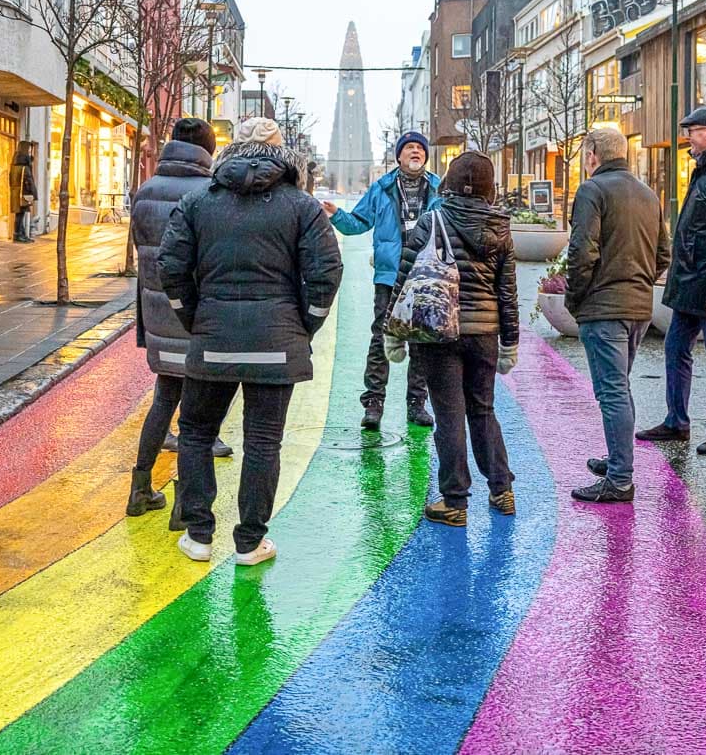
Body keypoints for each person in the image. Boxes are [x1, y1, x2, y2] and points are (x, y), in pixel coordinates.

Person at [159, 117, 342, 566]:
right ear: (283, 154)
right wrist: (303, 325)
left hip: (213, 337)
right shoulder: (301, 206)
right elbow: (326, 272)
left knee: (197, 433)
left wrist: (193, 317)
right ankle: (249, 541)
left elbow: (171, 267)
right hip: (276, 342)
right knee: (264, 441)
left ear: (229, 151)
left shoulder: (198, 201)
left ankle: (199, 535)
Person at [386, 152, 518, 528]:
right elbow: (507, 294)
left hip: (440, 332)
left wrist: (391, 333)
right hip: (485, 335)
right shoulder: (501, 229)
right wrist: (510, 341)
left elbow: (406, 278)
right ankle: (502, 489)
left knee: (448, 416)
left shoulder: (432, 220)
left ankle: (455, 501)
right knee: (483, 409)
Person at [126, 118, 232, 519]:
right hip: (196, 315)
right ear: (208, 151)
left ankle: (140, 488)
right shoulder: (208, 193)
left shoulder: (146, 190)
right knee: (198, 417)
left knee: (163, 400)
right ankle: (184, 503)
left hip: (156, 313)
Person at [637, 104, 706, 455]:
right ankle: (676, 421)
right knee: (675, 347)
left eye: (694, 130)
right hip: (692, 280)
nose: (688, 136)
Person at [565, 127, 669, 504]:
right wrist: (637, 282)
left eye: (584, 152)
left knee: (612, 392)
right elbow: (663, 256)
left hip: (604, 306)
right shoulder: (647, 194)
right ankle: (618, 460)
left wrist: (576, 298)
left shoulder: (593, 191)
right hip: (638, 306)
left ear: (592, 154)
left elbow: (581, 252)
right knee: (618, 388)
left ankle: (621, 479)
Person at [324, 131, 439, 431]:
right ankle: (373, 404)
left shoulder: (439, 189)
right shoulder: (383, 188)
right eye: (409, 148)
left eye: (419, 149)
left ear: (425, 156)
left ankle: (417, 404)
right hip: (389, 276)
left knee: (422, 341)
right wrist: (337, 215)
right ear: (399, 156)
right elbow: (358, 223)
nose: (415, 152)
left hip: (425, 276)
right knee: (381, 340)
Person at [10, 141, 37, 243]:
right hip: (23, 193)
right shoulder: (24, 166)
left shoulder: (14, 164)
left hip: (15, 192)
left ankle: (21, 234)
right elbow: (29, 181)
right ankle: (18, 234)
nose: (30, 153)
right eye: (29, 150)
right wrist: (33, 193)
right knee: (20, 215)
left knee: (19, 214)